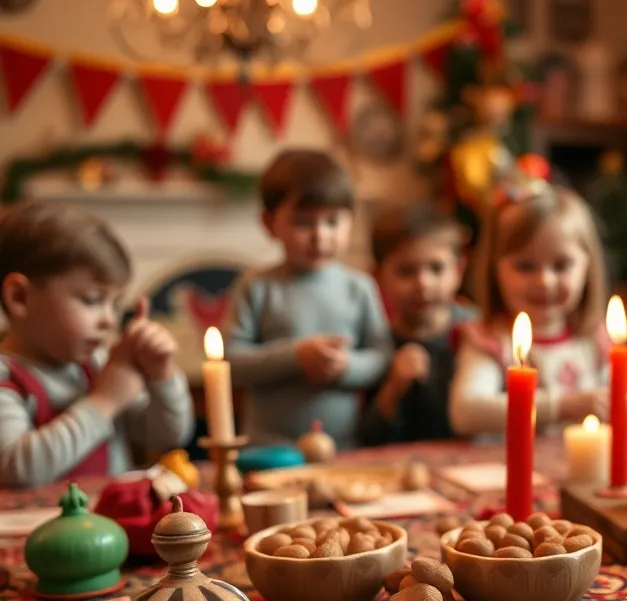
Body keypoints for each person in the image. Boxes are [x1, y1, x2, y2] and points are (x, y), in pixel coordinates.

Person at [0, 202, 193, 487]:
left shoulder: (98, 364)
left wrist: (162, 377)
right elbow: (16, 471)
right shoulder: (8, 379)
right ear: (20, 297)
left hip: (111, 527)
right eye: (92, 300)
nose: (108, 320)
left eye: (115, 304)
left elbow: (167, 436)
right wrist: (104, 402)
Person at [449, 182, 627, 436]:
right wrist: (561, 406)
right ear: (495, 270)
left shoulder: (593, 337)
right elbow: (466, 412)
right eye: (525, 266)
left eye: (561, 266)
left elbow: (622, 391)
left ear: (587, 268)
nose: (544, 281)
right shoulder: (488, 339)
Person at [225, 149, 392, 448]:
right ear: (269, 223)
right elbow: (231, 363)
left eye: (332, 222)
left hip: (342, 447)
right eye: (304, 222)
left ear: (351, 222)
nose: (320, 235)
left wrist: (347, 367)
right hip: (267, 449)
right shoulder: (257, 286)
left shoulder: (360, 287)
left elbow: (381, 356)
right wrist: (295, 357)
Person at [360, 203, 475, 445]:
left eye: (436, 268)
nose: (423, 283)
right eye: (405, 271)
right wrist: (394, 387)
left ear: (459, 270)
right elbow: (368, 438)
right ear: (378, 276)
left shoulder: (478, 332)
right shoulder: (376, 344)